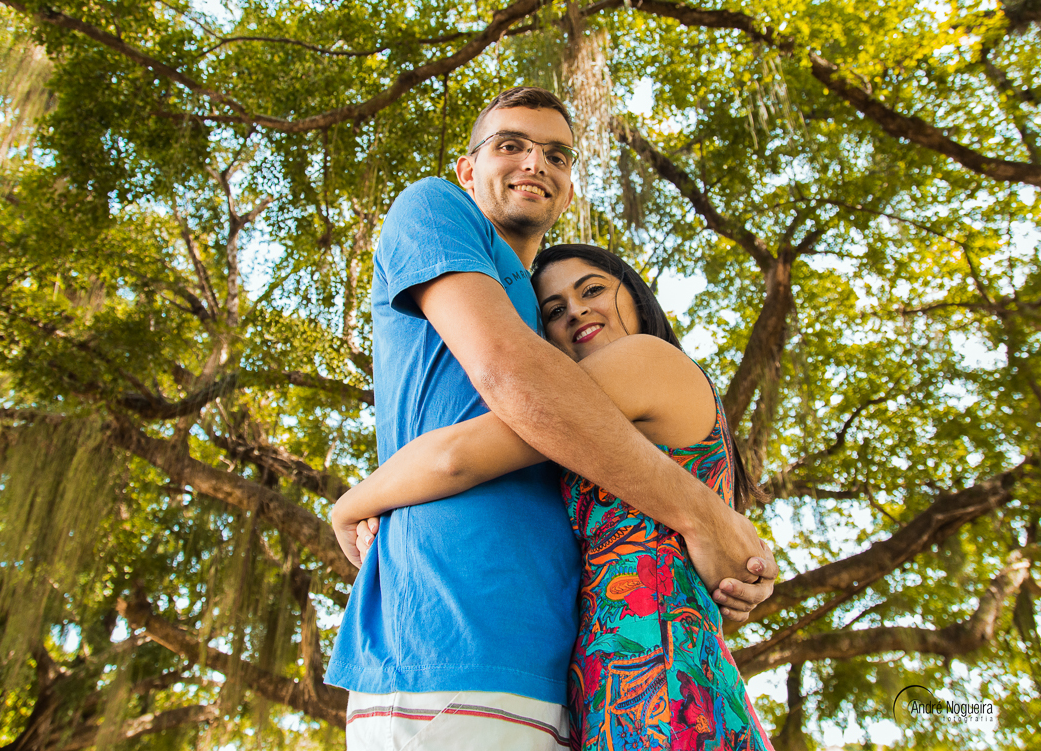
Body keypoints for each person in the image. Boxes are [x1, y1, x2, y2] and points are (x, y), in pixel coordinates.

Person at [324, 87, 777, 750]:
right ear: (466, 169)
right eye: (510, 145)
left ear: (568, 190)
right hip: (452, 642)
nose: (535, 162)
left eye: (557, 155)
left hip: (581, 687)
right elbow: (506, 389)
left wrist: (350, 505)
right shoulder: (435, 208)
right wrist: (710, 523)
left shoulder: (608, 374)